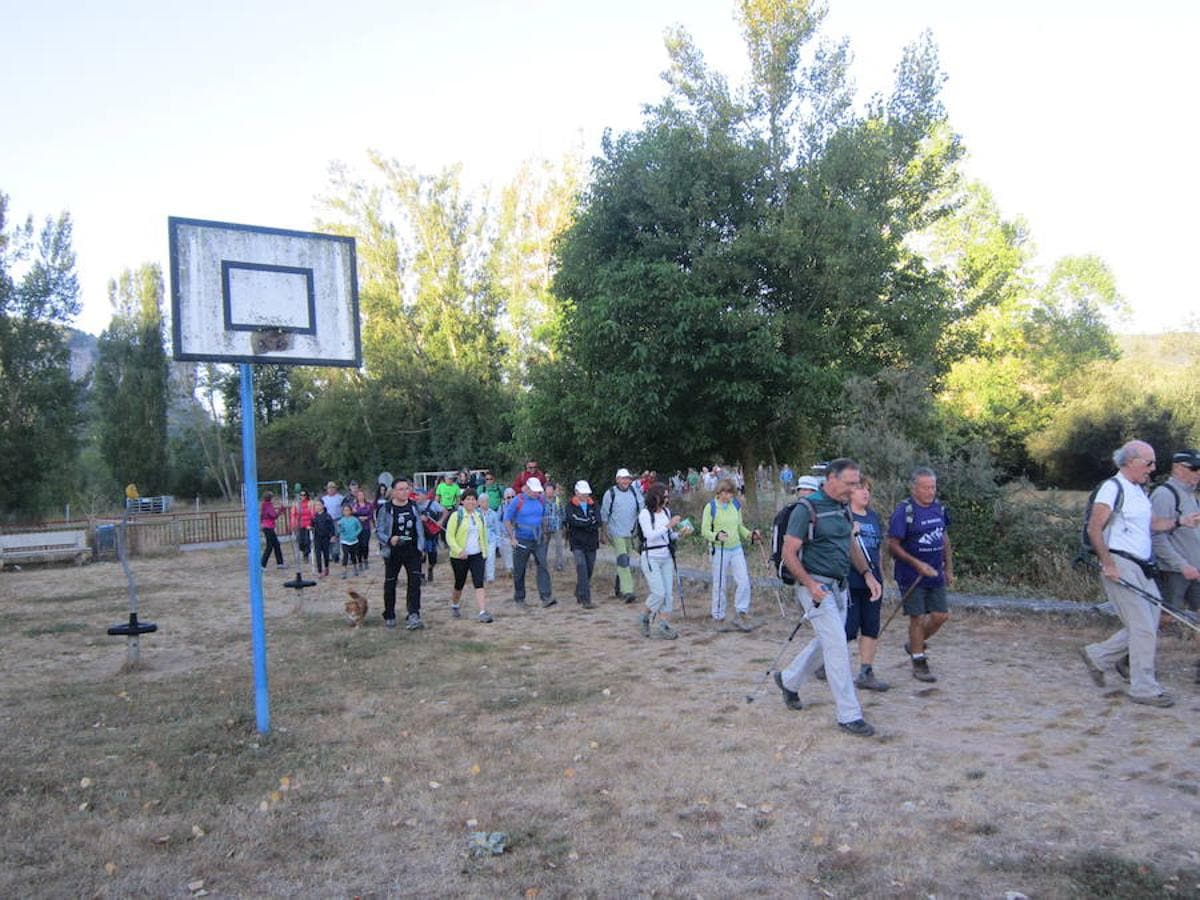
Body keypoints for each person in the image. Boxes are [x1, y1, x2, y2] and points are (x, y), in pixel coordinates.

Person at [1080, 441, 1200, 706]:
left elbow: (1153, 525)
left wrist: (1181, 521)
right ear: (1130, 461)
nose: (1153, 469)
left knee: (1147, 623)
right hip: (1122, 564)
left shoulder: (1139, 491)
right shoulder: (1112, 488)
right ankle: (1144, 688)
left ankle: (1098, 656)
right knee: (1144, 628)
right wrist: (1108, 563)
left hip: (1143, 566)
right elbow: (1094, 528)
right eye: (1149, 463)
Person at [773, 458, 880, 737]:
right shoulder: (805, 509)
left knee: (826, 642)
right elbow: (789, 553)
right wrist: (809, 584)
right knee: (837, 648)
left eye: (857, 483)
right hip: (815, 589)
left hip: (839, 587)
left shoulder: (843, 507)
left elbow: (850, 543)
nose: (854, 489)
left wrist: (867, 574)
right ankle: (849, 714)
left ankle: (788, 680)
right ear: (831, 479)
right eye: (849, 483)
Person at [887, 466, 954, 683]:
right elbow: (892, 546)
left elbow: (944, 538)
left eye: (933, 487)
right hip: (911, 575)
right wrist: (916, 564)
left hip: (935, 573)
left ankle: (914, 643)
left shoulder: (939, 509)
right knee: (917, 618)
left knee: (940, 615)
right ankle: (918, 659)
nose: (930, 492)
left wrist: (949, 568)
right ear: (914, 488)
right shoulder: (904, 512)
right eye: (925, 488)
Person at [701, 477, 760, 630]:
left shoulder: (735, 505)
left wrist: (750, 535)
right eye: (726, 493)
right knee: (719, 583)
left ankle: (741, 612)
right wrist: (716, 536)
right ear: (719, 492)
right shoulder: (711, 507)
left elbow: (740, 526)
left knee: (744, 581)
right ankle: (718, 616)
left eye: (731, 493)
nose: (728, 496)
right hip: (719, 549)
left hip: (736, 548)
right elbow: (704, 530)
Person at [847, 477, 889, 691]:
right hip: (851, 581)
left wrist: (880, 574)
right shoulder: (845, 516)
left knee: (871, 626)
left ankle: (866, 671)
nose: (865, 493)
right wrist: (850, 533)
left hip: (874, 582)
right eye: (860, 489)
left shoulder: (873, 517)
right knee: (848, 628)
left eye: (868, 489)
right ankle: (826, 663)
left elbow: (879, 549)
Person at [1150, 448, 1200, 612]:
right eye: (1194, 468)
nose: (1198, 473)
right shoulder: (1164, 494)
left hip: (1194, 570)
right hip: (1173, 572)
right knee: (1168, 618)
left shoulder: (1191, 495)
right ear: (1178, 468)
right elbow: (1156, 537)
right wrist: (1182, 565)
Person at [375, 477, 427, 629]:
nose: (405, 492)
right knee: (390, 582)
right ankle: (389, 613)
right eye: (401, 489)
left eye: (407, 488)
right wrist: (389, 539)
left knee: (414, 582)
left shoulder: (414, 506)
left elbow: (419, 529)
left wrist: (421, 547)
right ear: (394, 491)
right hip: (393, 552)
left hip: (412, 550)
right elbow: (379, 531)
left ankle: (413, 614)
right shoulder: (386, 509)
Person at [637, 483, 682, 640]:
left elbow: (668, 536)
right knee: (658, 593)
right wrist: (669, 525)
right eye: (664, 496)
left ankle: (664, 625)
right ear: (655, 497)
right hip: (651, 557)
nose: (667, 499)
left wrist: (680, 533)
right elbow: (650, 535)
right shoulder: (644, 514)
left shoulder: (666, 512)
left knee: (668, 594)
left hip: (666, 556)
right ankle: (644, 617)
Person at [504, 476, 554, 608]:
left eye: (539, 491)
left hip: (538, 539)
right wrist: (512, 538)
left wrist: (544, 533)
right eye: (535, 491)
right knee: (520, 569)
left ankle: (546, 597)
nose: (538, 493)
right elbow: (507, 520)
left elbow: (542, 517)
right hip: (522, 539)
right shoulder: (517, 500)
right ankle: (520, 598)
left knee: (543, 566)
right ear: (528, 489)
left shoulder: (541, 500)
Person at [445, 489, 493, 623]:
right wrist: (459, 550)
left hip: (477, 555)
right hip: (459, 556)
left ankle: (483, 611)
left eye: (473, 499)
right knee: (459, 582)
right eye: (468, 499)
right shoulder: (456, 516)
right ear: (462, 501)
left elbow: (483, 535)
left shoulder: (480, 516)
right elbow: (449, 536)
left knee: (479, 583)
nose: (471, 501)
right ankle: (455, 604)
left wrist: (485, 552)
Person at [601, 468, 643, 602]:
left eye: (628, 479)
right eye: (623, 478)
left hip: (631, 533)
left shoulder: (635, 492)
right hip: (616, 533)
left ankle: (619, 587)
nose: (626, 481)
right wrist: (604, 532)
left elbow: (642, 510)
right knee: (624, 560)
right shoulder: (610, 493)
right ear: (617, 479)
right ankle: (628, 591)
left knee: (625, 561)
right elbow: (604, 514)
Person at [566, 480, 601, 608]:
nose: (585, 496)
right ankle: (586, 599)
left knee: (589, 569)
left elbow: (598, 520)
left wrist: (585, 523)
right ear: (576, 492)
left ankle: (579, 591)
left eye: (587, 493)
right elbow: (573, 521)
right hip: (577, 543)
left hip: (591, 542)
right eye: (583, 493)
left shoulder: (594, 504)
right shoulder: (570, 505)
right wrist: (588, 522)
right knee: (581, 567)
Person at [416, 489, 448, 583]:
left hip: (431, 533)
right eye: (416, 495)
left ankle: (430, 568)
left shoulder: (433, 504)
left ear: (425, 496)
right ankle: (421, 575)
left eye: (419, 495)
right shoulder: (414, 505)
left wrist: (441, 521)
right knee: (421, 555)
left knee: (432, 556)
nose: (417, 497)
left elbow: (445, 511)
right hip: (420, 534)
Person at [321, 481, 346, 562]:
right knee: (328, 537)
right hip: (327, 521)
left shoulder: (340, 498)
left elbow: (344, 509)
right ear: (327, 489)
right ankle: (330, 554)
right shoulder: (324, 499)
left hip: (337, 519)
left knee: (336, 536)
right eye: (329, 488)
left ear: (336, 489)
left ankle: (336, 554)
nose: (331, 489)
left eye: (333, 488)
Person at [258, 492, 284, 569]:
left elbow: (262, 516)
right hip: (269, 528)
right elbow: (274, 515)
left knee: (276, 545)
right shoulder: (268, 505)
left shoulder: (263, 505)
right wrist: (281, 510)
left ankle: (280, 563)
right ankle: (262, 564)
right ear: (270, 498)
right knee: (270, 546)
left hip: (266, 527)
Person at [543, 481, 565, 572]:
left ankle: (559, 564)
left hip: (557, 526)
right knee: (544, 546)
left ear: (554, 490)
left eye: (551, 490)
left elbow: (562, 512)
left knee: (559, 546)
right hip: (545, 526)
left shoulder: (558, 500)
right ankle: (542, 563)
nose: (549, 492)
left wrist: (563, 523)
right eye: (547, 490)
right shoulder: (541, 501)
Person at [338, 502, 363, 578]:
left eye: (348, 510)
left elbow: (360, 528)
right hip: (345, 540)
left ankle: (355, 568)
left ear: (351, 511)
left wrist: (355, 534)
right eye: (345, 510)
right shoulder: (341, 520)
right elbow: (340, 530)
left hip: (354, 540)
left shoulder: (355, 520)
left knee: (353, 555)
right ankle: (344, 571)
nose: (346, 512)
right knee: (345, 555)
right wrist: (340, 528)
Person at [290, 490, 315, 565]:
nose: (302, 496)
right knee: (300, 541)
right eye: (301, 495)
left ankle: (306, 555)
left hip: (308, 524)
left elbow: (313, 514)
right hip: (299, 524)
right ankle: (304, 551)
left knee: (307, 541)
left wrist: (312, 524)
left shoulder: (310, 503)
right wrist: (293, 525)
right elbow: (293, 515)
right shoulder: (296, 504)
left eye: (304, 495)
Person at [352, 488, 374, 571]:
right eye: (359, 495)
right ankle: (360, 560)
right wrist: (358, 517)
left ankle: (365, 559)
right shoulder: (354, 505)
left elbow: (371, 515)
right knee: (358, 545)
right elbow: (351, 515)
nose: (360, 497)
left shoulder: (369, 505)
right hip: (357, 527)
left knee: (365, 544)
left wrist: (366, 518)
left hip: (366, 527)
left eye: (362, 495)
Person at [311, 501, 334, 577]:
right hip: (317, 538)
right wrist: (310, 527)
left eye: (319, 505)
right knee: (317, 554)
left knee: (326, 554)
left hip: (325, 537)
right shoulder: (314, 516)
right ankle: (319, 570)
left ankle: (326, 567)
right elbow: (312, 525)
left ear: (323, 506)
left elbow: (331, 527)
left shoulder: (327, 516)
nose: (317, 507)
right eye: (316, 505)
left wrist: (332, 536)